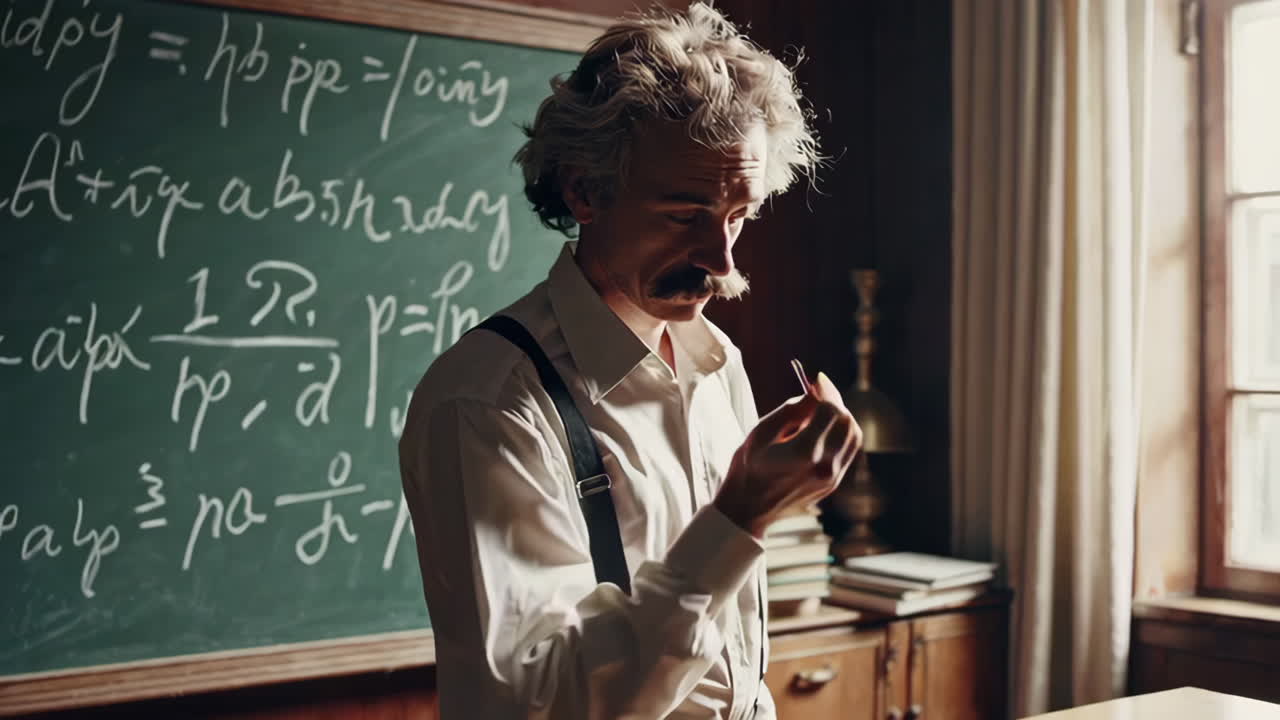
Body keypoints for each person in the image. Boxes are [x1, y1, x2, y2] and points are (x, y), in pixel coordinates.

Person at [399, 4, 862, 718]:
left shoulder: (718, 364)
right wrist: (737, 518)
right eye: (685, 216)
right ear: (585, 193)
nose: (723, 260)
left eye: (738, 214)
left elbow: (731, 666)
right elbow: (538, 703)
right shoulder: (489, 402)